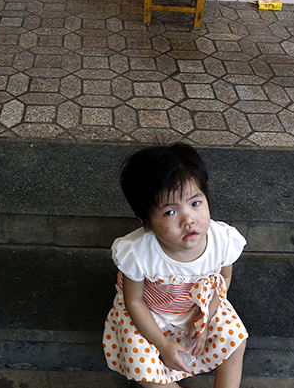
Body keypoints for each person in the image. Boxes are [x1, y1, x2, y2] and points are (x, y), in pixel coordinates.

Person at [103, 144, 247, 387]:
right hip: (150, 313)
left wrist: (204, 321)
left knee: (236, 342)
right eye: (170, 211)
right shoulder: (137, 253)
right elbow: (134, 301)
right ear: (146, 222)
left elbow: (223, 282)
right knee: (140, 364)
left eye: (195, 203)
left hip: (198, 307)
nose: (188, 219)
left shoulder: (223, 240)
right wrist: (161, 344)